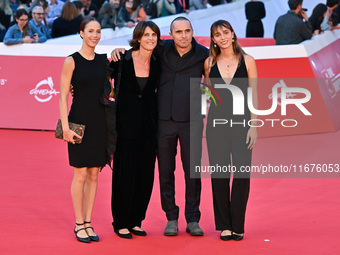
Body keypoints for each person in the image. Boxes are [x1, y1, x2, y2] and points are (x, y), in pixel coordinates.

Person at [111, 16, 209, 237]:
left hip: (191, 121)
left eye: (187, 31)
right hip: (162, 121)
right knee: (165, 171)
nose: (183, 35)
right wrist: (119, 50)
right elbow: (138, 49)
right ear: (171, 34)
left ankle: (193, 218)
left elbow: (216, 76)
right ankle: (171, 217)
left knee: (192, 172)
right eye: (178, 32)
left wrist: (207, 97)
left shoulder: (204, 54)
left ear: (192, 31)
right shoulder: (161, 49)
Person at [204, 19, 258, 241]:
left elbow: (254, 94)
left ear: (233, 35)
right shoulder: (209, 63)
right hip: (217, 124)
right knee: (219, 174)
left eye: (226, 32)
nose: (223, 37)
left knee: (242, 174)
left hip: (243, 122)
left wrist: (253, 126)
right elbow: (209, 93)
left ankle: (238, 224)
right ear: (214, 40)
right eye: (218, 34)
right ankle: (224, 224)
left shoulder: (248, 61)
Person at [59, 17, 109, 243]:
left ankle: (89, 222)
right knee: (79, 174)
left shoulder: (103, 60)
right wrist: (66, 128)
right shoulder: (71, 60)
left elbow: (110, 92)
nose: (95, 35)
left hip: (100, 121)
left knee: (93, 175)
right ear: (81, 33)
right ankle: (79, 223)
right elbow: (62, 97)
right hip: (78, 121)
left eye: (98, 31)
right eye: (90, 31)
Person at [110, 21, 161, 239]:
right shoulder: (122, 59)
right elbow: (99, 77)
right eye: (146, 34)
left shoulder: (159, 61)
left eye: (154, 35)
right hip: (125, 126)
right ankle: (121, 221)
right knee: (125, 174)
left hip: (150, 127)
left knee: (145, 174)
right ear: (137, 37)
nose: (150, 38)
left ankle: (136, 220)